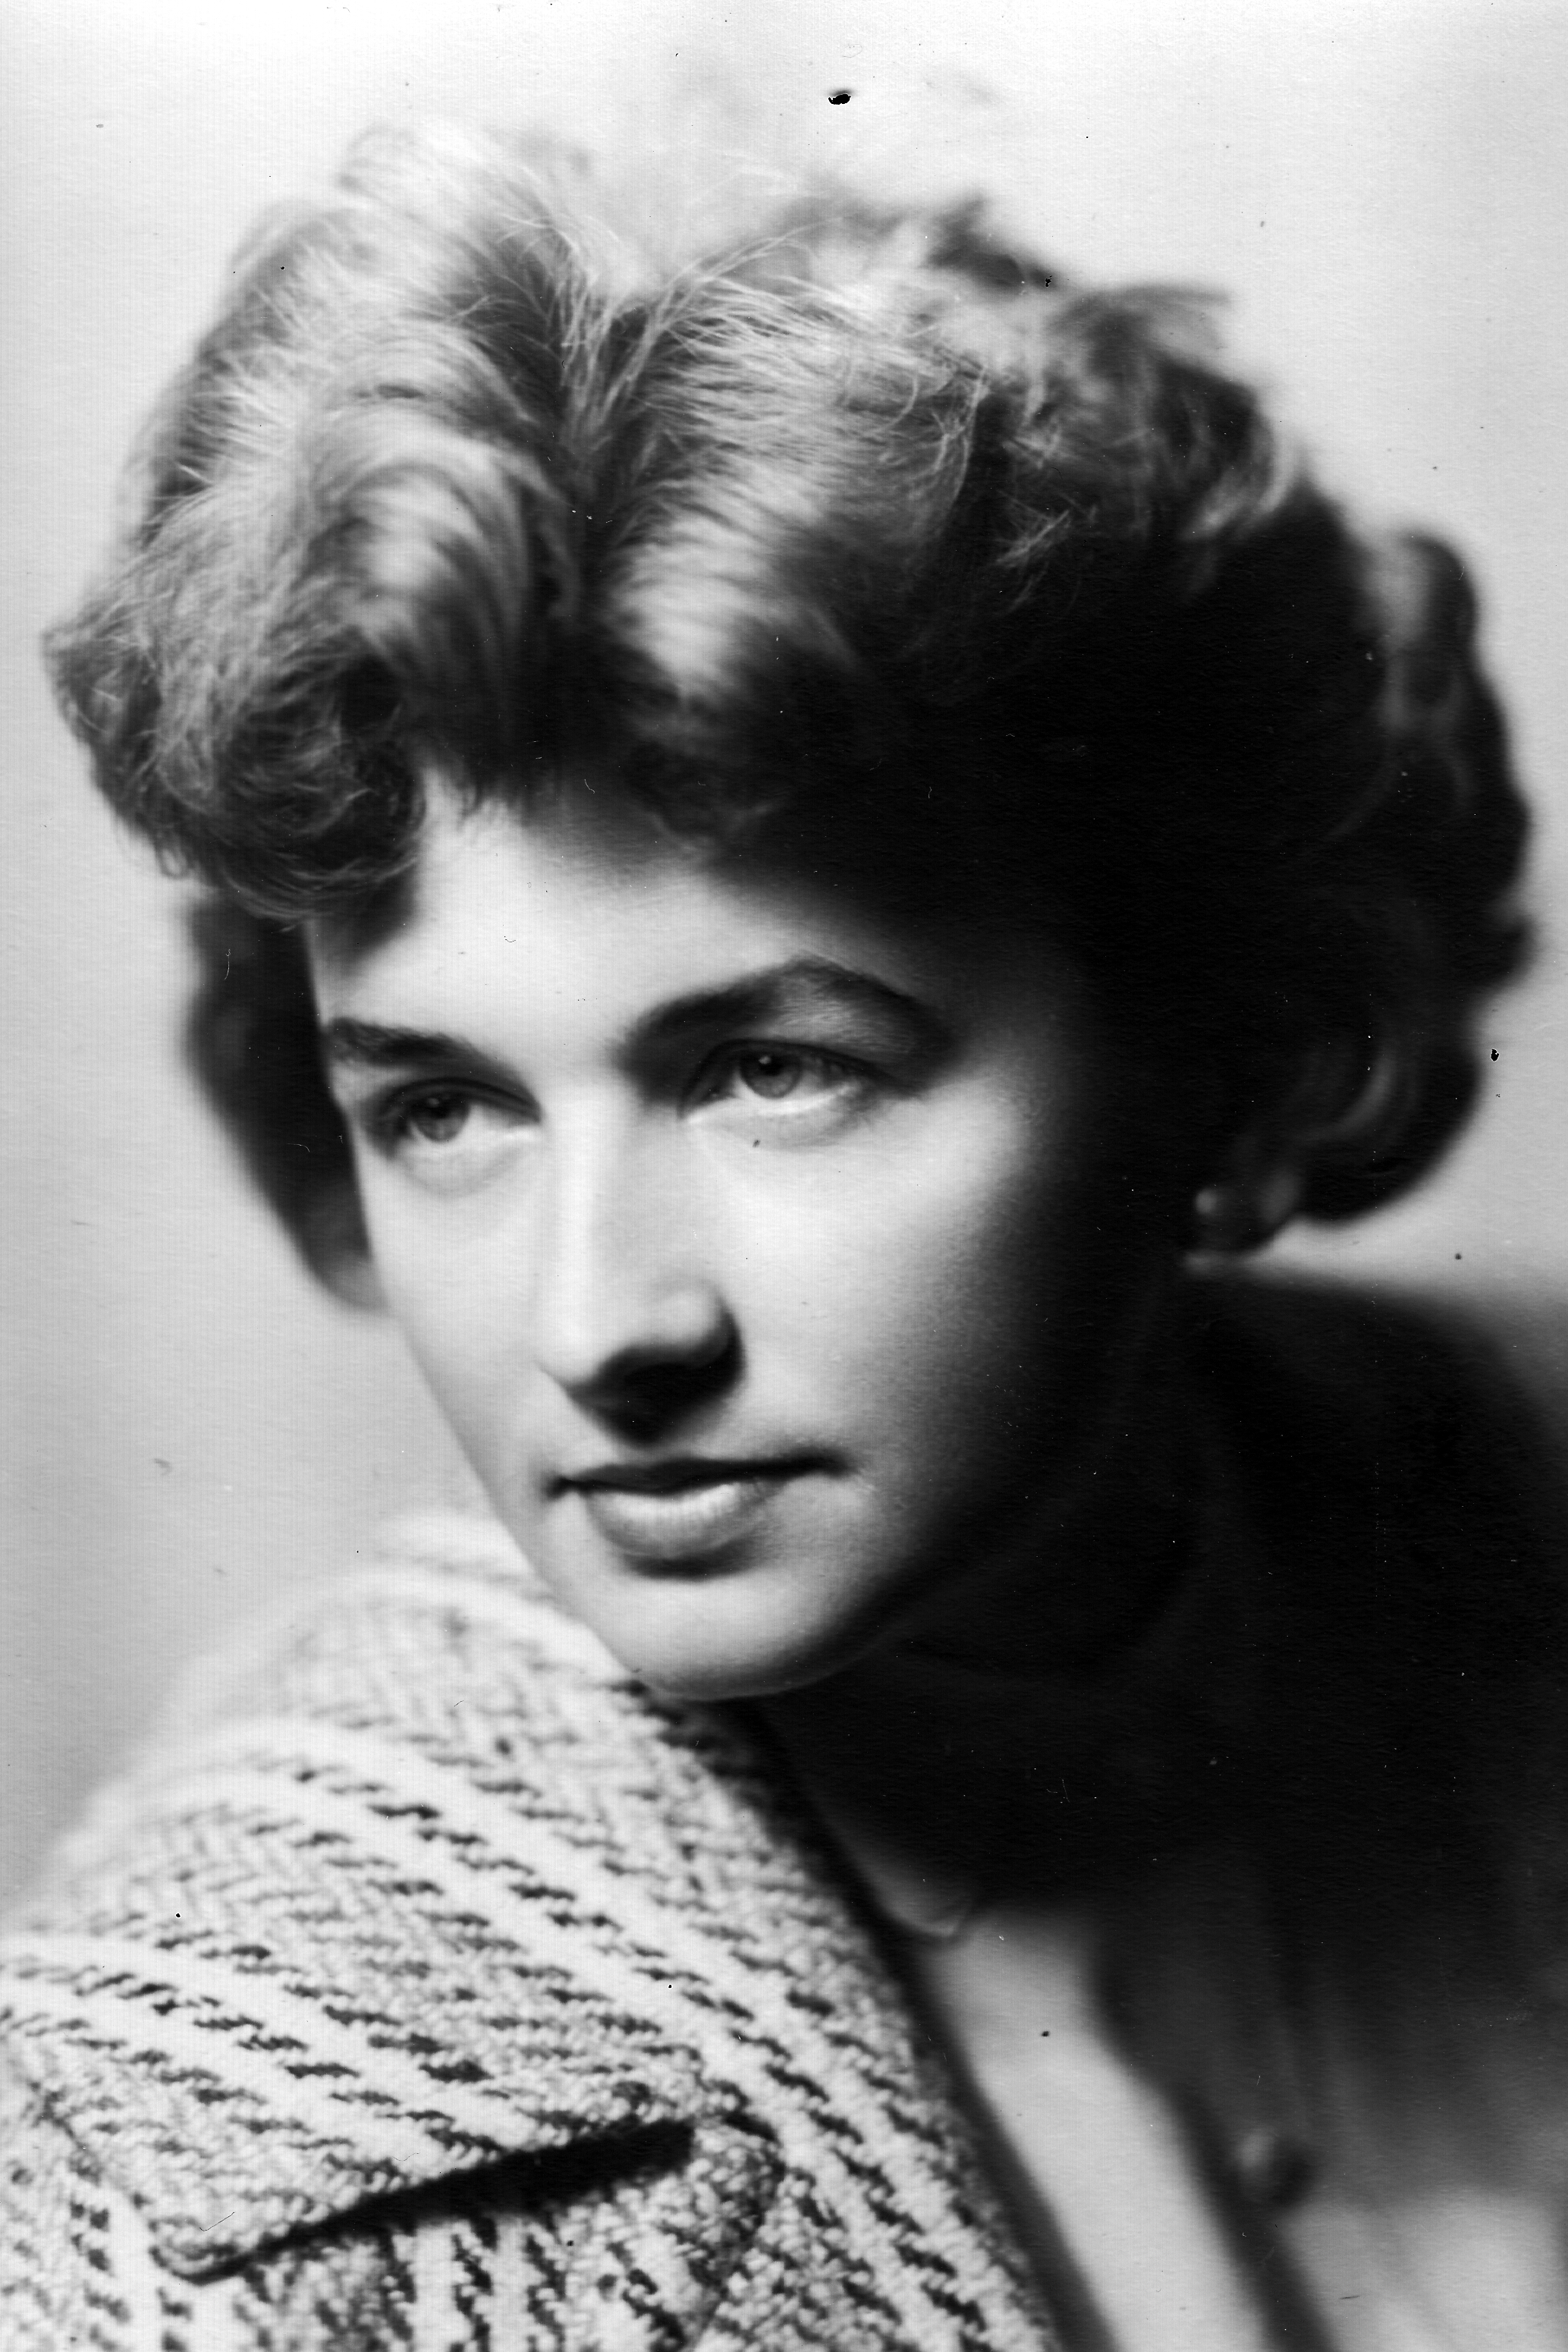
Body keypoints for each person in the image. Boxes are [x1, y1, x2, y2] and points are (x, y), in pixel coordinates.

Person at [1, 119, 1562, 2350]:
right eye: (442, 1108)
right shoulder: (179, 2188)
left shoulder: (1499, 1491)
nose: (595, 1325)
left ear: (1236, 1063)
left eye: (772, 1067)